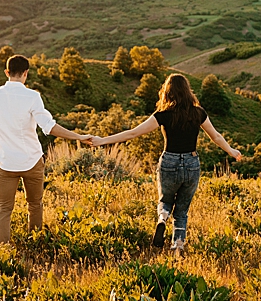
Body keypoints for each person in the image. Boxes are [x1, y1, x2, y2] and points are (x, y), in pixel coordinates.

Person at [90, 73, 242, 252]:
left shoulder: (163, 115)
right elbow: (215, 136)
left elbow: (133, 133)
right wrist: (231, 151)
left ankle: (162, 218)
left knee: (165, 200)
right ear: (187, 91)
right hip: (192, 162)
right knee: (182, 209)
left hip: (169, 160)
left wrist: (102, 140)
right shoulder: (198, 113)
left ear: (167, 92)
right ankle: (178, 244)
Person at [0, 53, 91, 244]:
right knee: (34, 205)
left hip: (6, 163)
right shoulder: (32, 96)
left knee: (4, 208)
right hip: (32, 161)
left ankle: (2, 252)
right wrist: (78, 136)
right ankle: (35, 242)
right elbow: (50, 127)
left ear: (7, 72)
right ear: (26, 73)